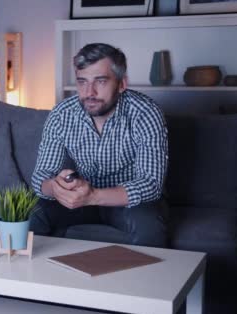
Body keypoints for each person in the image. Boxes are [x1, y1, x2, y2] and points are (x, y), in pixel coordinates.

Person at [30, 43, 168, 247]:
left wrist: (93, 196)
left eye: (100, 81)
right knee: (30, 215)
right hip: (79, 198)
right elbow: (41, 175)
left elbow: (151, 184)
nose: (89, 92)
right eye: (82, 82)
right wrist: (56, 188)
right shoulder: (61, 114)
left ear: (121, 84)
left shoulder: (146, 113)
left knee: (150, 227)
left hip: (127, 202)